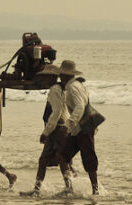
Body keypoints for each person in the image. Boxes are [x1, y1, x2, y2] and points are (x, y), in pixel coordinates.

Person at [20, 65, 70, 196]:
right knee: (58, 159)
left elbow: (57, 112)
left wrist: (46, 132)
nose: (43, 79)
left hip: (56, 129)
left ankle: (41, 189)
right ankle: (40, 189)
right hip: (61, 127)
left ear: (51, 77)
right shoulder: (60, 88)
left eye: (45, 77)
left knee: (53, 160)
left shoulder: (54, 89)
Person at [56, 60, 102, 195]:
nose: (60, 77)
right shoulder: (77, 84)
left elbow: (80, 106)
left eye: (61, 74)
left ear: (66, 75)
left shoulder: (72, 87)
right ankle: (69, 187)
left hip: (84, 128)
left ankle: (95, 191)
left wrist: (68, 124)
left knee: (88, 159)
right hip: (78, 129)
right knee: (63, 155)